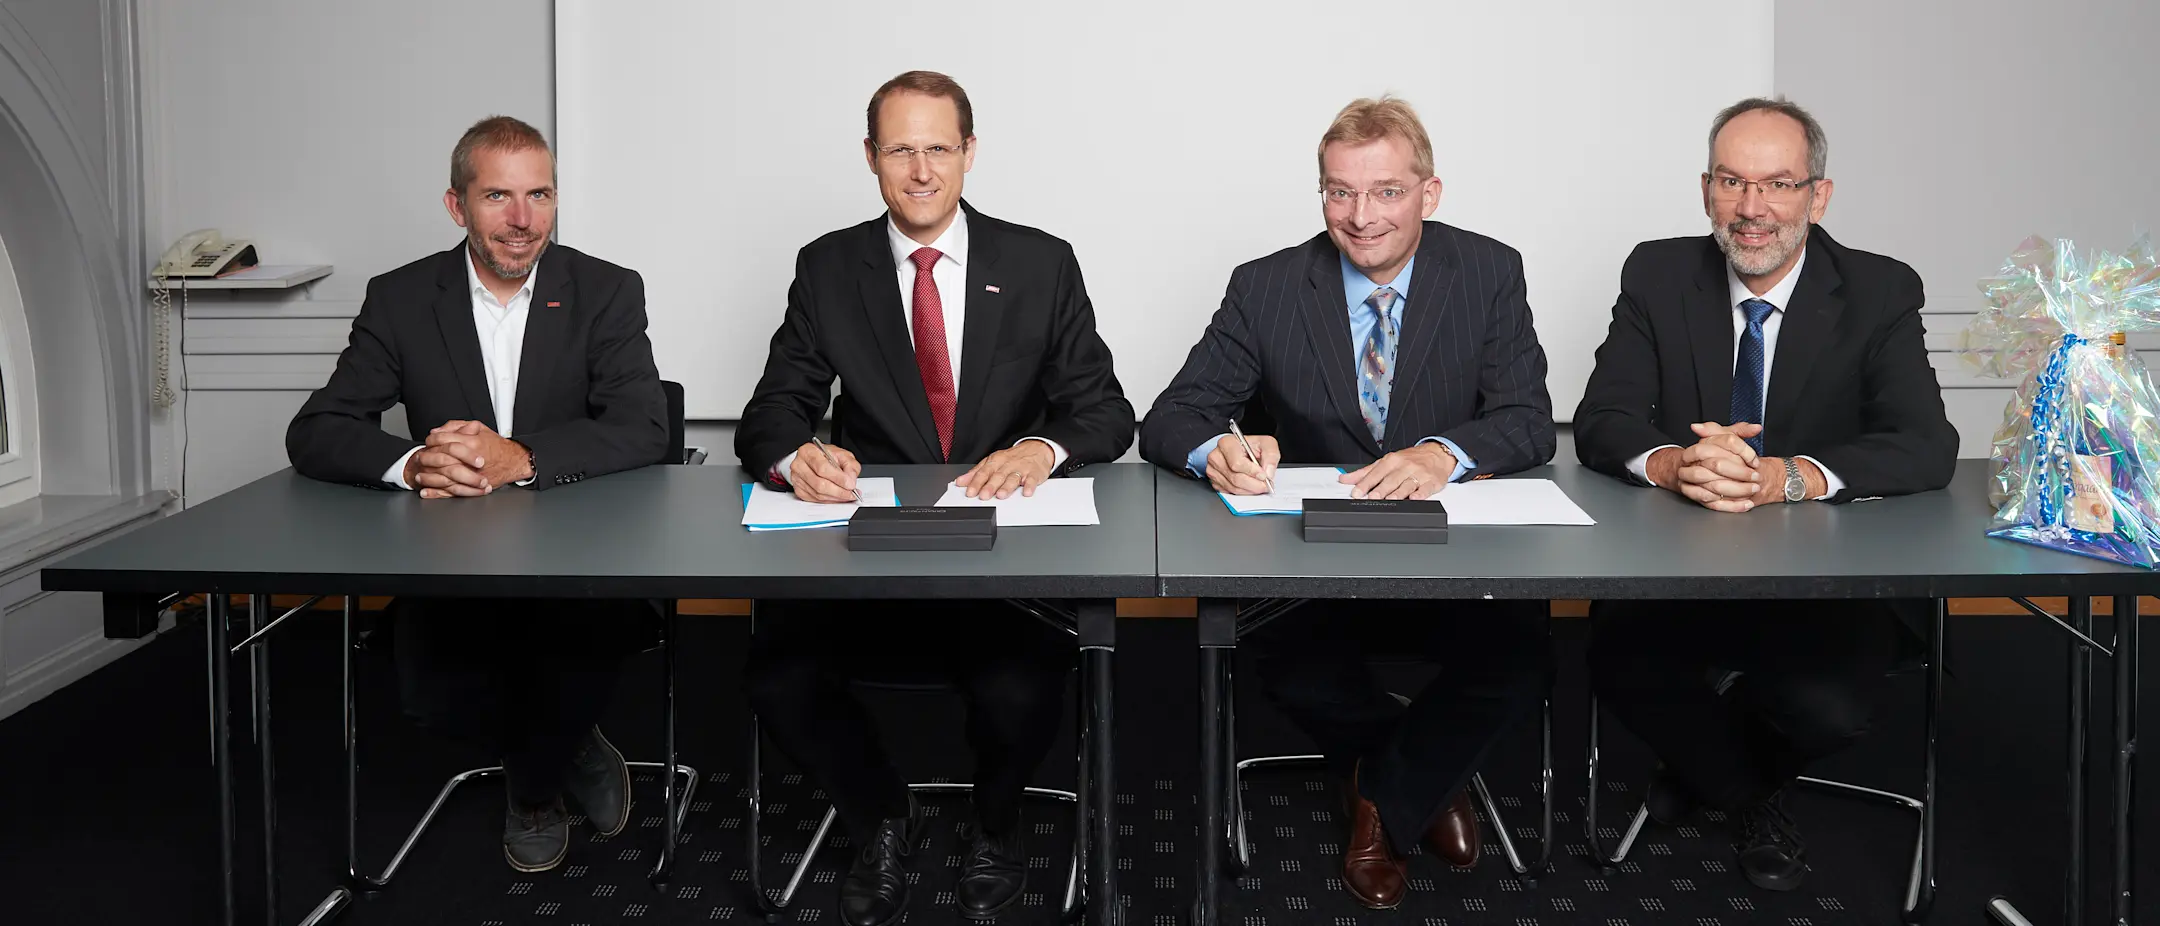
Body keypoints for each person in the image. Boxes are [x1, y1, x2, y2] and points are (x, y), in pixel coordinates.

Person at [733, 70, 1134, 926]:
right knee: (781, 676)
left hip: (1007, 556)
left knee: (1020, 685)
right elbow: (771, 412)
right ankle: (881, 813)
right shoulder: (829, 266)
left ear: (970, 153)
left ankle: (996, 821)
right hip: (871, 554)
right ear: (872, 158)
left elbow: (1106, 411)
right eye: (901, 149)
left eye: (939, 149)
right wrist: (796, 453)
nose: (921, 170)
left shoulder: (1038, 262)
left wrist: (1040, 446)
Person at [1139, 96, 1555, 910]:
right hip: (1312, 563)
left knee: (1520, 652)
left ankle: (1383, 801)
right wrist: (1217, 448)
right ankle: (1422, 779)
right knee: (1279, 655)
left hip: (1451, 561)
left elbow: (1529, 420)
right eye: (1339, 193)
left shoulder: (1488, 271)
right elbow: (1169, 417)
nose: (1360, 218)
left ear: (1430, 194)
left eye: (1387, 193)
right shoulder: (1265, 287)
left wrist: (1444, 453)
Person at [1573, 96, 1958, 891]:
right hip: (1677, 569)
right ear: (1705, 188)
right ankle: (1751, 791)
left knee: (1828, 706)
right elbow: (1602, 419)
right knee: (1614, 661)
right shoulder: (1657, 271)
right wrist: (1676, 463)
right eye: (1732, 182)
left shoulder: (1880, 290)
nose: (1752, 210)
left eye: (1779, 185)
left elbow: (1927, 445)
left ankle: (1710, 771)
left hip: (1830, 579)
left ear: (1818, 196)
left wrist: (1790, 477)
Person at [286, 116, 668, 873]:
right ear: (457, 206)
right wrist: (414, 463)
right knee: (432, 698)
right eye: (498, 196)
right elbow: (317, 430)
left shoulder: (605, 291)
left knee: (566, 660)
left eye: (540, 195)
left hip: (579, 547)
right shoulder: (400, 299)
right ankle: (576, 745)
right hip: (451, 551)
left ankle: (531, 792)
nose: (523, 220)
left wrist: (519, 456)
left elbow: (645, 426)